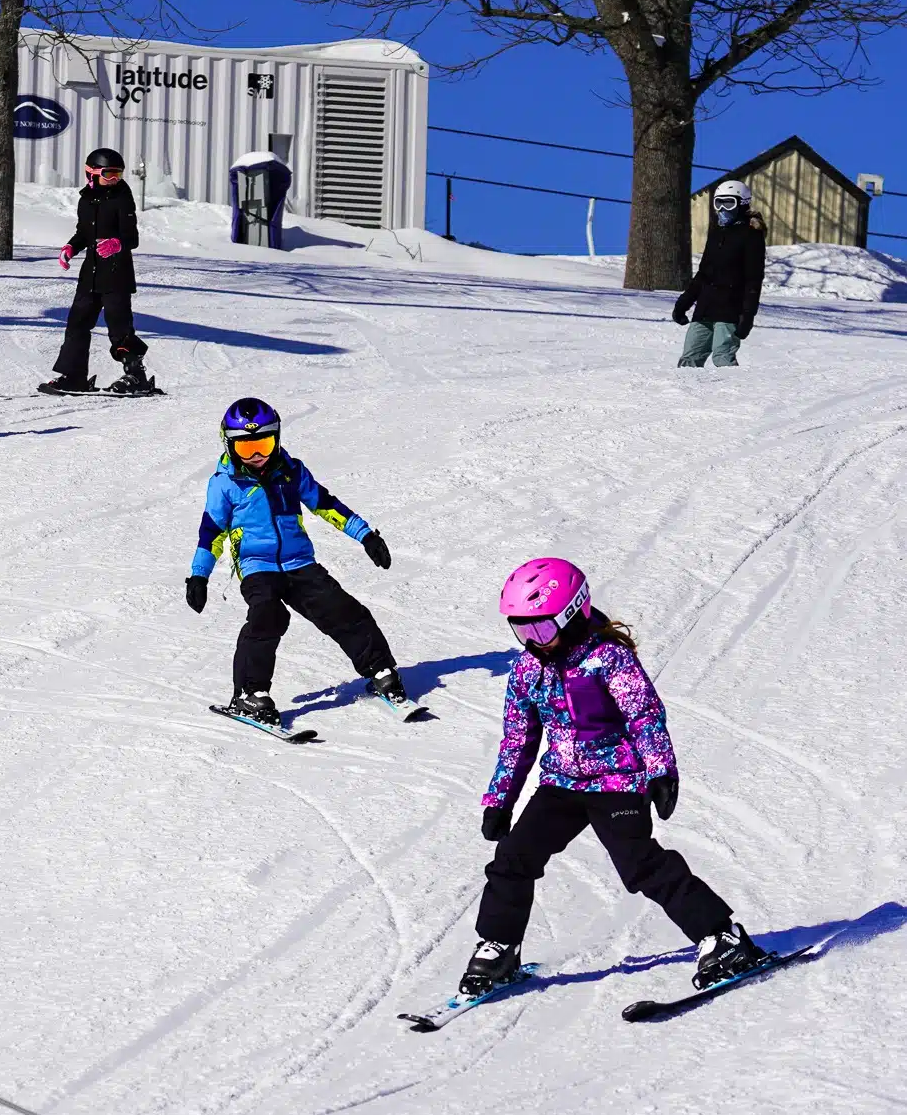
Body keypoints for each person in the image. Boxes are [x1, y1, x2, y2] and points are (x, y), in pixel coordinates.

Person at [459, 558, 767, 998]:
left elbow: (643, 716)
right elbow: (518, 739)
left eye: (541, 630)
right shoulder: (527, 670)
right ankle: (500, 947)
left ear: (572, 614)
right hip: (561, 785)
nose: (533, 643)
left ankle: (722, 936)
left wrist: (661, 770)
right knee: (513, 858)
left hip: (617, 783)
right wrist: (500, 799)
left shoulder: (609, 659)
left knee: (641, 865)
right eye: (522, 632)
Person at [186, 397, 410, 726]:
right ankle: (250, 693)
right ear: (231, 446)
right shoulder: (224, 484)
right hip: (256, 567)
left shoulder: (291, 472)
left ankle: (380, 671)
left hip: (299, 563)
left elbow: (326, 505)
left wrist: (366, 535)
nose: (258, 456)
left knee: (344, 610)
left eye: (264, 444)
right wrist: (198, 576)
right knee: (268, 615)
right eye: (247, 449)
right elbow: (212, 532)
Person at [40, 146, 157, 397]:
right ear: (91, 173)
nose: (114, 179)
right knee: (77, 324)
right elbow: (84, 232)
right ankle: (73, 377)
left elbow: (132, 237)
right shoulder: (86, 200)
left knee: (119, 328)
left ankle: (136, 376)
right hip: (90, 274)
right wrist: (72, 246)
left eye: (119, 174)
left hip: (116, 274)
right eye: (108, 174)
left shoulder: (122, 198)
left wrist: (117, 243)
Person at [673, 178, 765, 368]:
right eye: (719, 203)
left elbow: (753, 280)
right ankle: (685, 397)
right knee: (689, 359)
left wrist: (747, 315)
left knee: (722, 358)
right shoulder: (716, 234)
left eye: (728, 203)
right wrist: (684, 303)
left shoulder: (751, 236)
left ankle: (728, 397)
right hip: (705, 308)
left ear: (742, 205)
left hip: (730, 309)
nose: (722, 209)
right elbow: (703, 273)